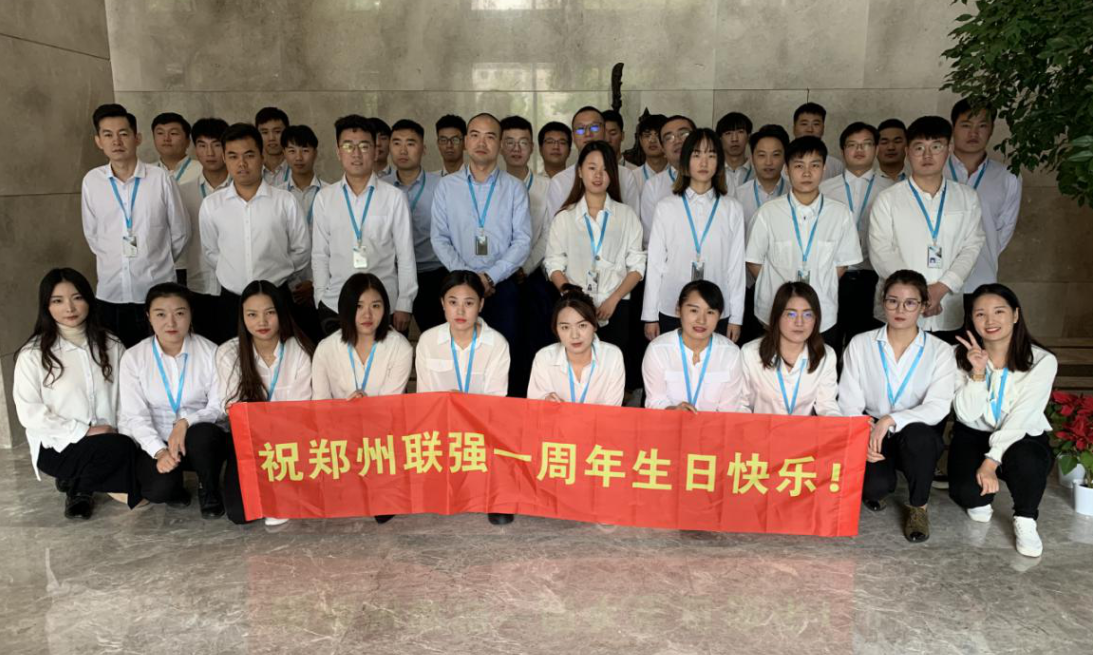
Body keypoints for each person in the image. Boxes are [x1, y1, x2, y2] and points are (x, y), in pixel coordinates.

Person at [13, 268, 142, 519]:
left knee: (133, 456)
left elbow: (127, 396)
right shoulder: (33, 354)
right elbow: (30, 413)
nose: (69, 308)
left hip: (111, 438)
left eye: (77, 298)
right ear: (46, 306)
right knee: (119, 450)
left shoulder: (112, 345)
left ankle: (80, 475)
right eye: (58, 301)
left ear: (89, 300)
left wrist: (123, 430)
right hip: (58, 445)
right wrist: (83, 431)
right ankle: (80, 489)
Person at [838, 270, 957, 542]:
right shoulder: (861, 344)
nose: (900, 310)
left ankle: (919, 506)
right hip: (872, 429)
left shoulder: (940, 350)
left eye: (910, 303)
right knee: (875, 488)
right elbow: (848, 401)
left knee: (920, 438)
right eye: (893, 301)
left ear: (924, 306)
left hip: (914, 431)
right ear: (883, 302)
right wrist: (863, 434)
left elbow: (938, 406)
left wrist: (890, 420)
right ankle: (883, 478)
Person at [950, 284, 1057, 558]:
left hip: (1021, 435)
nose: (990, 321)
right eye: (980, 314)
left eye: (999, 311)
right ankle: (983, 491)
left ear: (1015, 315)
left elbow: (1021, 418)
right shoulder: (956, 355)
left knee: (1028, 460)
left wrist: (990, 462)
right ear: (971, 319)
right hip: (974, 434)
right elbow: (965, 415)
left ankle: (1026, 518)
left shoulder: (1042, 361)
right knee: (968, 495)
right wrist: (977, 373)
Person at [869, 115, 986, 341]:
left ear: (949, 149)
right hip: (899, 310)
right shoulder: (888, 199)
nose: (927, 155)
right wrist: (917, 294)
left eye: (936, 146)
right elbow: (881, 252)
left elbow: (972, 247)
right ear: (907, 151)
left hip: (947, 307)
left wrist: (941, 288)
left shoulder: (967, 198)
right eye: (919, 147)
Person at [81, 103, 189, 347]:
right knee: (115, 359)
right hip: (111, 292)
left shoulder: (160, 179)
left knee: (159, 357)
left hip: (155, 293)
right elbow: (92, 235)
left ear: (137, 138)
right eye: (108, 135)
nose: (116, 141)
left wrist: (154, 259)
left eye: (123, 133)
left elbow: (180, 232)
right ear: (98, 141)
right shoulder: (92, 181)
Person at [119, 283, 228, 518]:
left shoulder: (211, 352)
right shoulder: (134, 358)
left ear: (190, 314)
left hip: (198, 438)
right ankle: (175, 486)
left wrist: (185, 422)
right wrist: (158, 451)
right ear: (148, 316)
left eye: (179, 313)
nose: (171, 323)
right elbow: (135, 416)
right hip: (157, 438)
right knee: (158, 490)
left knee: (204, 435)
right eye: (161, 314)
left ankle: (208, 488)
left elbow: (219, 406)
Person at [415, 270, 513, 525]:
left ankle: (496, 494)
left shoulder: (497, 344)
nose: (460, 311)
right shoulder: (428, 341)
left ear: (481, 304)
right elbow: (424, 399)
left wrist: (463, 403)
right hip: (441, 427)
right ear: (442, 304)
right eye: (453, 302)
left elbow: (496, 402)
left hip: (483, 429)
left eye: (469, 303)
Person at [431, 113, 531, 361]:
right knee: (460, 355)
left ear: (500, 144)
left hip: (501, 285)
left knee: (504, 354)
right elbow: (439, 238)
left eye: (490, 137)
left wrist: (489, 277)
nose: (481, 143)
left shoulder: (514, 188)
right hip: (458, 286)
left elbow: (522, 241)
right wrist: (468, 279)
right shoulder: (446, 186)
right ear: (466, 141)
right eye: (475, 135)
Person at [746, 136, 861, 349]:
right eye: (799, 166)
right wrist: (776, 288)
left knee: (819, 365)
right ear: (787, 170)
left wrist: (821, 282)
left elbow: (842, 263)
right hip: (775, 311)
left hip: (822, 313)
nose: (807, 173)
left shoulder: (840, 214)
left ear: (824, 168)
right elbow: (754, 260)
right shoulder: (768, 213)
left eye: (814, 165)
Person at [200, 123, 311, 343]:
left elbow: (302, 249)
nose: (241, 164)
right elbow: (211, 252)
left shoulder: (285, 201)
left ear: (262, 156)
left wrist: (280, 269)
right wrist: (234, 272)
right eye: (233, 156)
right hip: (232, 300)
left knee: (281, 355)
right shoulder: (212, 205)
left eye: (249, 155)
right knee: (233, 357)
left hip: (277, 296)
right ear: (224, 158)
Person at [215, 279, 314, 526]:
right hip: (251, 442)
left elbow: (301, 409)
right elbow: (232, 407)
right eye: (252, 314)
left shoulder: (299, 350)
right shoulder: (229, 353)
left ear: (281, 313)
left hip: (292, 441)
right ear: (242, 317)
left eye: (270, 313)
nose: (262, 322)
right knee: (240, 513)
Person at [311, 114, 417, 337]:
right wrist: (320, 297)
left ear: (375, 151)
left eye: (364, 146)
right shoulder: (324, 198)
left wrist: (405, 302)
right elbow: (320, 254)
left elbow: (405, 254)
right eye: (348, 146)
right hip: (336, 305)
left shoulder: (394, 197)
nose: (356, 154)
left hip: (385, 304)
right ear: (338, 152)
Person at [644, 129, 746, 343]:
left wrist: (736, 317)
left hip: (716, 308)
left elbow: (736, 266)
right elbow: (655, 264)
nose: (704, 162)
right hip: (672, 305)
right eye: (697, 154)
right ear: (685, 161)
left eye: (711, 155)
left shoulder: (732, 208)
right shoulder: (666, 207)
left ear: (719, 162)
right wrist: (650, 315)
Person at [544, 141, 645, 350]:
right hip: (574, 309)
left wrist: (614, 299)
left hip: (616, 306)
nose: (598, 175)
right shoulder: (564, 218)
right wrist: (573, 299)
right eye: (592, 168)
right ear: (580, 171)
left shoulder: (626, 215)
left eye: (605, 169)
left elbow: (637, 266)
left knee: (614, 362)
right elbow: (553, 264)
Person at [819, 122, 894, 345]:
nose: (859, 150)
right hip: (834, 276)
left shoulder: (892, 190)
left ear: (876, 149)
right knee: (828, 340)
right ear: (843, 151)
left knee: (866, 343)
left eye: (866, 144)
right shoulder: (824, 189)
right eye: (852, 145)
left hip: (874, 276)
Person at [946, 99, 1023, 300]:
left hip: (981, 280)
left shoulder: (1008, 177)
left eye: (982, 126)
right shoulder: (935, 171)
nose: (974, 133)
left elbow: (1003, 231)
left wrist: (983, 252)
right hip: (936, 280)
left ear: (991, 130)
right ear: (953, 128)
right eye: (966, 125)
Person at [384, 119, 447, 333]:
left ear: (423, 149)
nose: (403, 150)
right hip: (392, 274)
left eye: (410, 143)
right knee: (390, 342)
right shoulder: (380, 187)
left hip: (431, 274)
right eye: (397, 143)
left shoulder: (441, 187)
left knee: (436, 337)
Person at [643, 280, 744, 412]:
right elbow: (654, 401)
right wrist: (673, 411)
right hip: (670, 423)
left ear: (720, 315)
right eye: (694, 310)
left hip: (715, 424)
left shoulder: (731, 354)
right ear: (678, 310)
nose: (701, 320)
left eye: (710, 312)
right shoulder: (658, 350)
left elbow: (729, 408)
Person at [740, 282, 839, 416]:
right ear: (777, 316)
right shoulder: (750, 353)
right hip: (761, 428)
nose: (799, 322)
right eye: (791, 314)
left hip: (804, 429)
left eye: (808, 315)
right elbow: (740, 404)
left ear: (816, 318)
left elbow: (827, 405)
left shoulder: (826, 355)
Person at [312, 272, 413, 400]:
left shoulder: (400, 348)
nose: (367, 315)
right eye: (359, 306)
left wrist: (364, 406)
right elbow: (320, 405)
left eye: (375, 306)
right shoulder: (325, 349)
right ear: (346, 308)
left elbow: (390, 405)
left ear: (385, 308)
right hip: (338, 414)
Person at [735, 124, 790, 343]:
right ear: (752, 158)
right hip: (747, 284)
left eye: (775, 155)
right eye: (761, 155)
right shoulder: (737, 196)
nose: (768, 162)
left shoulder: (794, 194)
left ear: (785, 158)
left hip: (786, 284)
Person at [177, 117, 231, 340]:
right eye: (202, 145)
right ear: (194, 149)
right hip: (197, 283)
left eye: (216, 145)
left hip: (234, 285)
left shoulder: (241, 191)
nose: (210, 153)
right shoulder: (183, 192)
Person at [527, 286, 626, 406]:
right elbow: (533, 408)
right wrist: (544, 403)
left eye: (582, 325)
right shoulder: (544, 358)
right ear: (556, 330)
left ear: (595, 325)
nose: (574, 335)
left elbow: (612, 412)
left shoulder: (612, 357)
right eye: (565, 327)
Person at [543, 107, 642, 225]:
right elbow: (556, 227)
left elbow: (633, 223)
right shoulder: (559, 181)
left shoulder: (625, 176)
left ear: (604, 131)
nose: (588, 134)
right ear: (573, 136)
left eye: (594, 127)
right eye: (580, 129)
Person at [638, 115, 697, 247]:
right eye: (669, 137)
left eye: (684, 134)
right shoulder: (653, 185)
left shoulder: (722, 179)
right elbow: (650, 239)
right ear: (663, 149)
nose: (677, 141)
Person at [282, 125, 326, 226]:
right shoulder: (277, 194)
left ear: (315, 153)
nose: (299, 157)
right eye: (292, 151)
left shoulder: (329, 193)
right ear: (284, 153)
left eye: (305, 150)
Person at [791, 102, 844, 179]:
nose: (810, 129)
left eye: (816, 124)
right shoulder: (780, 163)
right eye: (804, 124)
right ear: (794, 128)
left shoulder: (836, 166)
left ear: (823, 129)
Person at [151, 112, 201, 185]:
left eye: (173, 133)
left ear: (188, 141)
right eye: (160, 133)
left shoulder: (202, 171)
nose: (166, 139)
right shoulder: (146, 172)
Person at [716, 111, 754, 190]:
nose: (734, 139)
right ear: (720, 139)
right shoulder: (712, 172)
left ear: (748, 137)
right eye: (728, 133)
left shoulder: (757, 171)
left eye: (740, 132)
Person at [626, 113, 668, 181]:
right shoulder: (632, 177)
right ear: (640, 140)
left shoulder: (679, 176)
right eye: (647, 135)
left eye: (658, 135)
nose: (652, 140)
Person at [256, 106, 290, 187]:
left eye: (277, 132)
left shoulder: (298, 171)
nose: (271, 138)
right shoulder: (251, 171)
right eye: (265, 132)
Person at [877, 118, 909, 182]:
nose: (891, 147)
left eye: (897, 141)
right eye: (884, 142)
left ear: (907, 145)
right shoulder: (863, 183)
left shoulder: (919, 180)